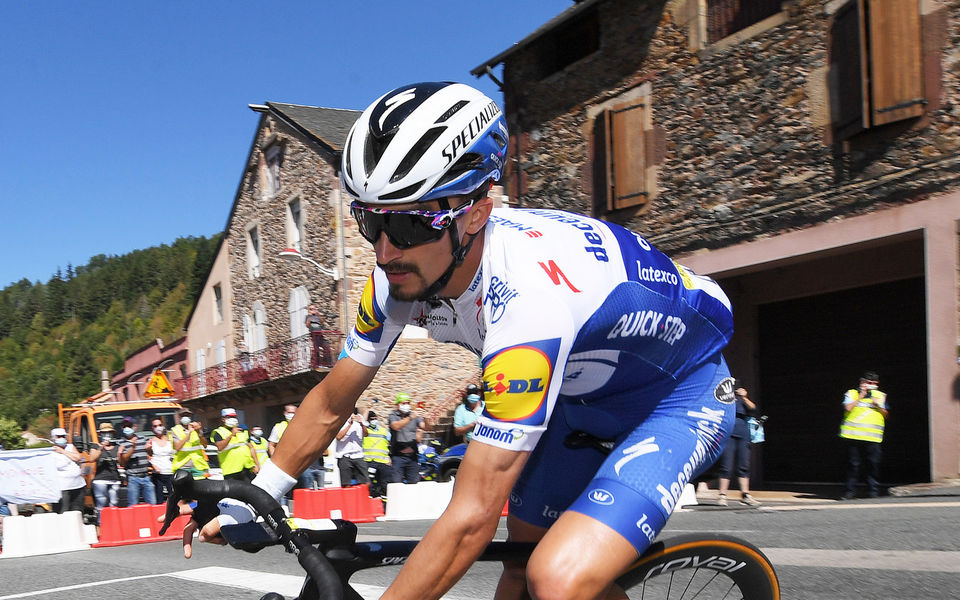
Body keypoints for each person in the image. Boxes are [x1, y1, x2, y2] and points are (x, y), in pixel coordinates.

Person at [181, 82, 735, 600]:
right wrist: (258, 496)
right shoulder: (397, 279)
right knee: (520, 565)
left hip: (675, 401)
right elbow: (331, 401)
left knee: (556, 577)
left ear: (475, 215)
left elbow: (471, 516)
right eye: (370, 221)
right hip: (576, 400)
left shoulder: (528, 303)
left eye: (410, 225)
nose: (384, 250)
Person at [840, 370, 889, 499]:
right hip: (853, 436)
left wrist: (878, 405)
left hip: (872, 437)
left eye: (874, 383)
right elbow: (848, 408)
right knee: (853, 465)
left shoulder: (880, 395)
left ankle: (873, 491)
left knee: (873, 464)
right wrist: (861, 396)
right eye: (869, 382)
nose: (872, 385)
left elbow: (886, 414)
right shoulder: (851, 393)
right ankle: (849, 491)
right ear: (862, 382)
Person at [716, 381, 759, 507]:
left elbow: (753, 409)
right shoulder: (722, 398)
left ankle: (745, 495)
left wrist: (744, 397)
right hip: (728, 434)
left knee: (743, 465)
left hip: (743, 434)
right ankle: (722, 495)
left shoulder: (741, 399)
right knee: (726, 466)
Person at [211, 408, 258, 482]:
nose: (233, 419)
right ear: (223, 419)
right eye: (229, 417)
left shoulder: (243, 430)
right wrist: (231, 435)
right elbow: (220, 447)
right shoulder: (218, 432)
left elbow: (251, 448)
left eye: (234, 417)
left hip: (247, 468)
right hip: (231, 471)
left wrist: (256, 464)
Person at [388, 392, 426, 484]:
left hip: (412, 457)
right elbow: (396, 426)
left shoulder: (414, 415)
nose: (406, 405)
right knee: (396, 483)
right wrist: (411, 417)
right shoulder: (393, 416)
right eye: (403, 403)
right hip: (398, 456)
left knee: (414, 483)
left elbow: (424, 426)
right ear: (398, 405)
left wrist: (425, 417)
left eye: (408, 403)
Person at [88, 423, 121, 523]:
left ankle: (114, 523)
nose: (107, 435)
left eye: (109, 433)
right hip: (100, 479)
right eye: (104, 433)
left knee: (114, 502)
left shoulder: (117, 447)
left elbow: (121, 462)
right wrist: (101, 447)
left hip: (115, 479)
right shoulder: (95, 446)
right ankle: (101, 525)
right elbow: (91, 458)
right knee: (101, 504)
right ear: (100, 434)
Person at [49, 427, 86, 514]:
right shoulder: (50, 452)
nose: (62, 438)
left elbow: (78, 457)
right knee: (63, 511)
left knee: (78, 511)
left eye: (63, 436)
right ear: (53, 438)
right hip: (63, 488)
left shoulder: (70, 447)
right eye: (59, 436)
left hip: (78, 485)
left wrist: (63, 451)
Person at [119, 423, 157, 504]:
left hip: (146, 476)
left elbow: (151, 453)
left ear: (135, 427)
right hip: (133, 478)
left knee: (152, 503)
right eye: (125, 426)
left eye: (129, 426)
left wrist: (149, 449)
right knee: (133, 504)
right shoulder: (122, 443)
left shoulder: (143, 439)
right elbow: (124, 460)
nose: (127, 428)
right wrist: (133, 447)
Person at [363, 410, 396, 497]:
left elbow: (391, 444)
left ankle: (385, 504)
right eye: (372, 419)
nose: (374, 420)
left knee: (385, 484)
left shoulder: (384, 431)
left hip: (383, 462)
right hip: (370, 462)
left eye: (375, 418)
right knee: (369, 484)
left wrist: (390, 457)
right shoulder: (365, 431)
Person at [170, 408, 209, 479]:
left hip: (198, 466)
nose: (186, 417)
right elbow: (178, 447)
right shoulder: (175, 430)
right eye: (183, 415)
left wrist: (199, 432)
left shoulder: (196, 429)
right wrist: (189, 433)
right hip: (183, 466)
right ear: (179, 417)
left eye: (187, 415)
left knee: (199, 488)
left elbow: (205, 445)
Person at [335, 408, 369, 487]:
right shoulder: (340, 422)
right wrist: (350, 424)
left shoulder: (359, 421)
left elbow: (366, 434)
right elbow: (339, 437)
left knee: (365, 482)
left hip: (358, 455)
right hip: (344, 455)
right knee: (346, 483)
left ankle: (362, 496)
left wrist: (362, 424)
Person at [146, 418, 174, 502]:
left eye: (160, 425)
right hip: (158, 474)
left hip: (170, 471)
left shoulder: (170, 439)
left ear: (163, 426)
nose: (158, 428)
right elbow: (148, 457)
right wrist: (154, 467)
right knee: (159, 497)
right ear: (152, 429)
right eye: (155, 426)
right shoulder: (150, 442)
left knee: (173, 496)